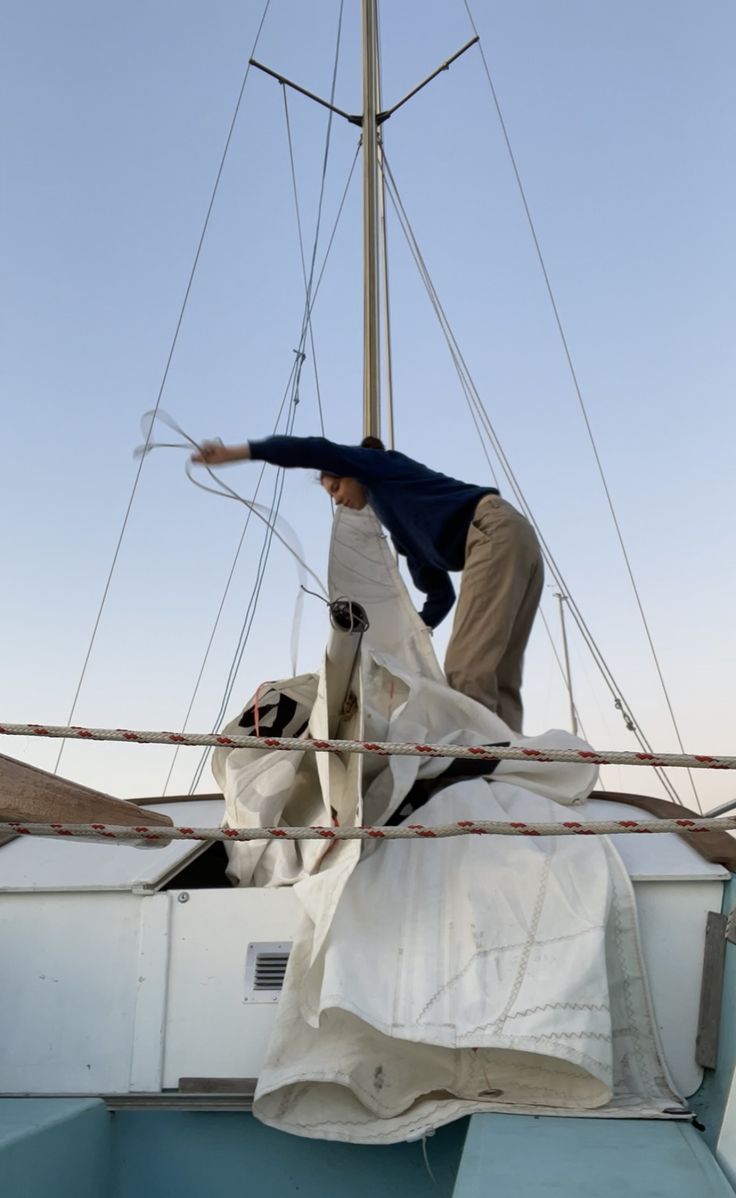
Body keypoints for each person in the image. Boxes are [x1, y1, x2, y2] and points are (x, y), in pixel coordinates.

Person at [193, 434, 543, 732]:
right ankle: (515, 768)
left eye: (336, 486)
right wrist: (414, 631)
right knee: (500, 674)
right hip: (514, 537)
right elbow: (440, 594)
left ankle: (477, 763)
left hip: (492, 530)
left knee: (466, 670)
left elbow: (313, 449)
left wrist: (239, 453)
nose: (337, 498)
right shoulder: (405, 536)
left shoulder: (380, 467)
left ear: (354, 470)